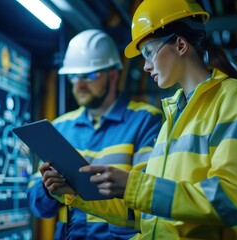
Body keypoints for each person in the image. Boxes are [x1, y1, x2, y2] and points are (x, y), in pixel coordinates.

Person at [41, 1, 237, 239]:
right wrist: (76, 194)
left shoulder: (235, 98)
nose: (147, 66)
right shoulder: (173, 115)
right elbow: (147, 215)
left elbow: (230, 200)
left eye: (149, 52)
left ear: (181, 44)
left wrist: (133, 186)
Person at [27, 29, 163, 240]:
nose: (79, 85)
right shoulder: (59, 127)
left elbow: (149, 198)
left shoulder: (146, 120)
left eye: (89, 76)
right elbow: (38, 208)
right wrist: (47, 189)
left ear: (113, 74)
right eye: (73, 76)